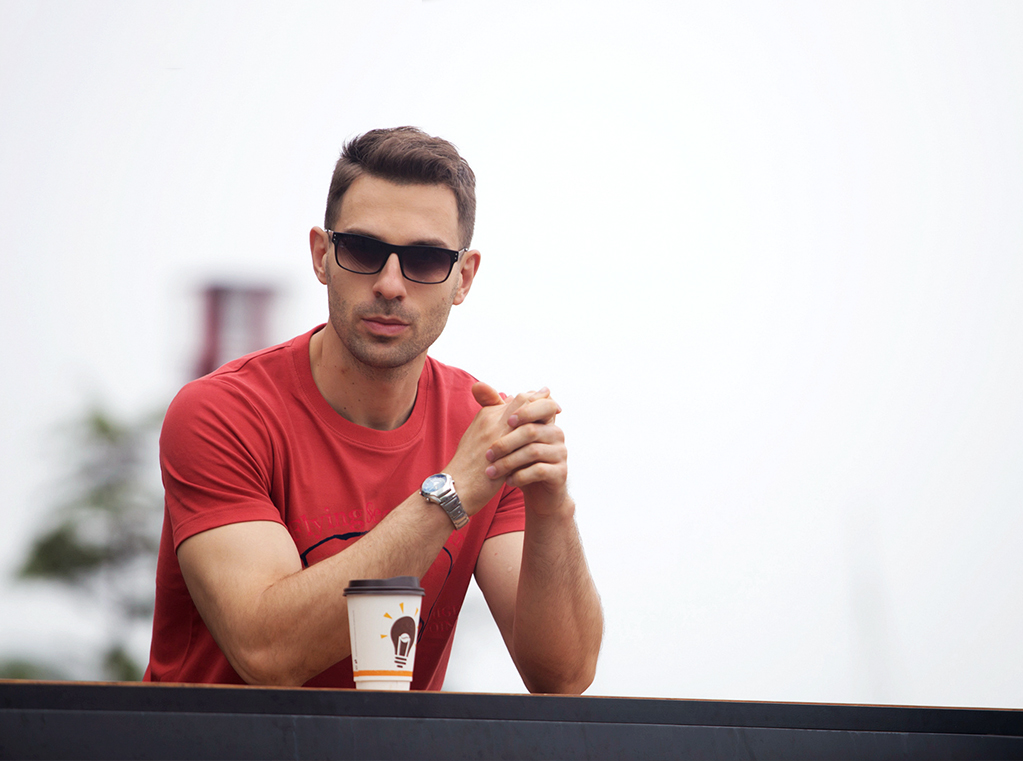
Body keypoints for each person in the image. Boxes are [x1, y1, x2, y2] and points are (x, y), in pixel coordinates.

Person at [144, 126, 603, 693]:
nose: (390, 284)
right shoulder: (222, 413)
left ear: (463, 278)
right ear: (322, 256)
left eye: (425, 259)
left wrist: (552, 504)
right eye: (362, 250)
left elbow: (562, 677)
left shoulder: (483, 431)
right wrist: (453, 491)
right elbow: (269, 653)